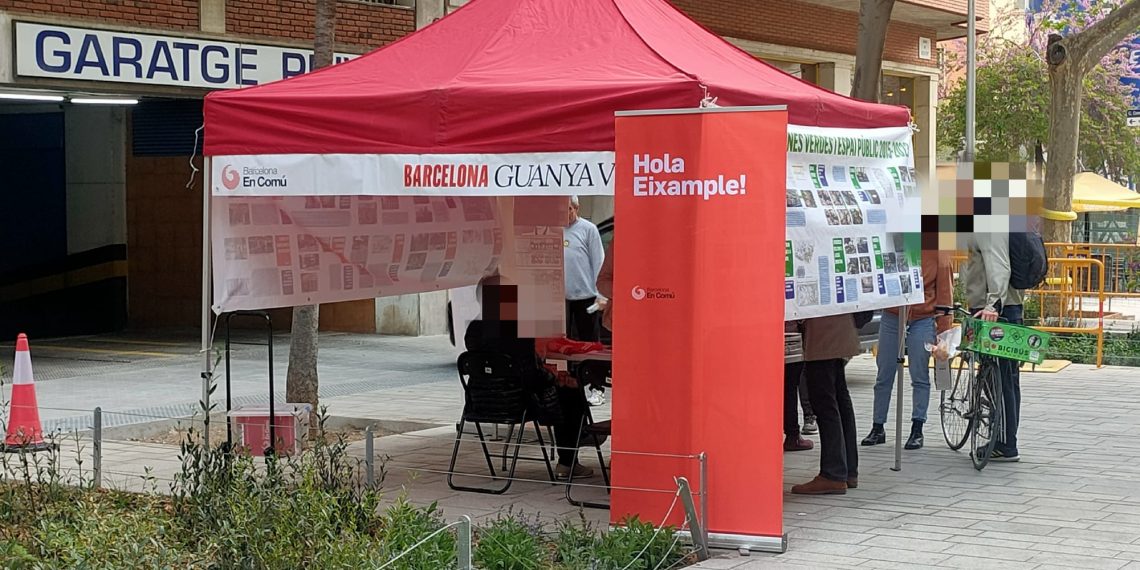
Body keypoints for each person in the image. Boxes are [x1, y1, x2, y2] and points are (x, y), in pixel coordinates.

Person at [464, 275, 595, 479]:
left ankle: (579, 441)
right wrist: (556, 378)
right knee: (571, 393)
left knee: (563, 387)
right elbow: (531, 377)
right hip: (517, 401)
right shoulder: (516, 330)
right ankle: (568, 461)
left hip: (479, 400)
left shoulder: (473, 329)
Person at [863, 250, 954, 450]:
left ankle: (917, 428)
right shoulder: (896, 241)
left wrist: (943, 333)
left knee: (919, 373)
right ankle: (878, 426)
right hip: (893, 313)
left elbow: (945, 293)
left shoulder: (939, 249)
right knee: (884, 372)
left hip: (923, 317)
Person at [963, 232, 1024, 462]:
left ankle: (1006, 443)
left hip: (997, 310)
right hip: (1002, 306)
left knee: (1001, 378)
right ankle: (1003, 437)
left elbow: (998, 265)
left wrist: (993, 305)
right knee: (1003, 377)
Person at [791, 314, 861, 495]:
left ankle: (834, 473)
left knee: (824, 400)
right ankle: (847, 469)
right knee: (839, 396)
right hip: (839, 327)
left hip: (823, 330)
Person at [564, 196, 605, 343]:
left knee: (589, 341)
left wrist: (601, 294)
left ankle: (591, 366)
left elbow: (599, 261)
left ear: (576, 208)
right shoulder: (554, 229)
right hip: (562, 299)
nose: (565, 213)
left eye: (568, 209)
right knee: (564, 341)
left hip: (586, 297)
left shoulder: (588, 229)